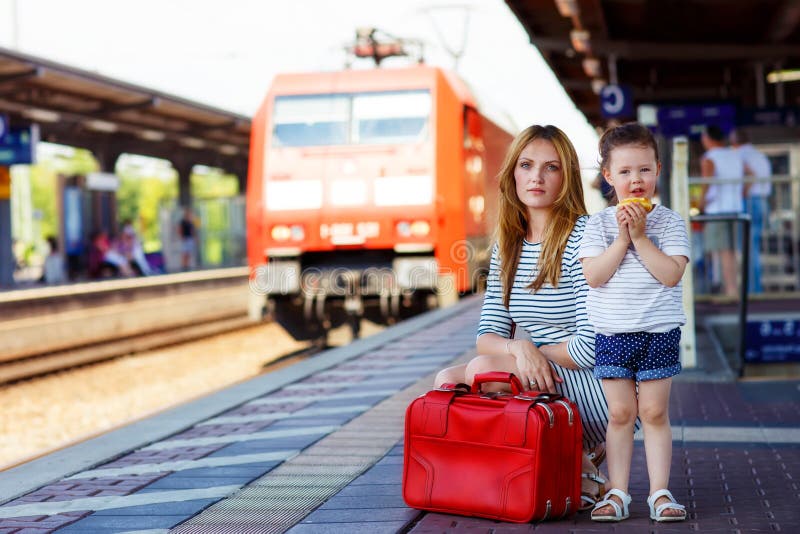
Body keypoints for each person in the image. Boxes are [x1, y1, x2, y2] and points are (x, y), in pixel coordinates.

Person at [434, 124, 615, 511]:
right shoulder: (508, 245)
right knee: (447, 381)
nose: (536, 176)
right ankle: (490, 479)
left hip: (598, 384)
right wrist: (520, 347)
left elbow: (591, 346)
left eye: (551, 167)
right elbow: (488, 334)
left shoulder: (584, 237)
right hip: (543, 374)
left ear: (566, 178)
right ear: (512, 173)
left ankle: (583, 456)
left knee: (483, 369)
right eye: (527, 164)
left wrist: (534, 354)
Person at [579, 123, 690, 522]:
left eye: (643, 169)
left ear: (658, 169)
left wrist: (642, 237)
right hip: (611, 333)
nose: (635, 179)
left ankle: (660, 493)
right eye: (624, 172)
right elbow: (595, 276)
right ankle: (618, 493)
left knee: (655, 413)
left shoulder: (672, 222)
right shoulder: (596, 225)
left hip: (658, 332)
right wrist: (623, 238)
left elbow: (670, 275)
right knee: (621, 414)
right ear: (608, 176)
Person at [699, 125, 744, 298]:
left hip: (717, 209)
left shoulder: (709, 158)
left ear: (708, 139)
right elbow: (749, 175)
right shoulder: (735, 155)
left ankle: (730, 290)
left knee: (724, 251)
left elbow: (706, 182)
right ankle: (734, 287)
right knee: (733, 251)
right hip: (736, 208)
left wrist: (701, 204)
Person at [730, 129, 771, 294]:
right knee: (753, 247)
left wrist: (742, 193)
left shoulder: (739, 154)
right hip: (763, 201)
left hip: (749, 202)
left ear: (735, 141)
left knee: (747, 248)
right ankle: (755, 287)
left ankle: (753, 290)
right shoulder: (760, 155)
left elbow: (751, 176)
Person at [178, 206, 197, 271]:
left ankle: (187, 266)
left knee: (188, 253)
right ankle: (184, 266)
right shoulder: (183, 221)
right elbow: (180, 230)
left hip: (190, 238)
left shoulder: (190, 222)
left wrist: (194, 238)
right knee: (184, 253)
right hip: (185, 239)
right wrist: (182, 237)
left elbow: (192, 230)